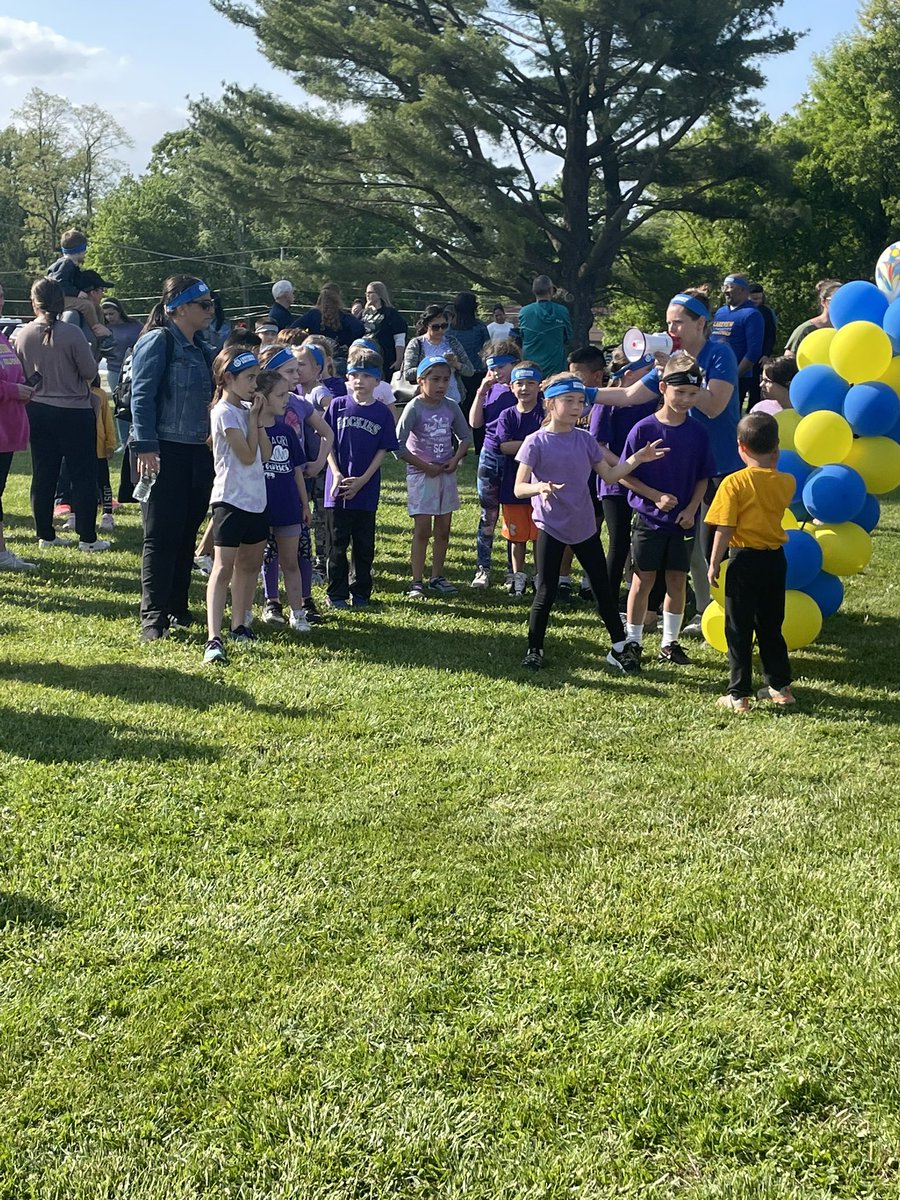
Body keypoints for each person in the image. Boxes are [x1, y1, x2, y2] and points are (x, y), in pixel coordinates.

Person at [514, 373, 667, 672]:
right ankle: (535, 648)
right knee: (545, 591)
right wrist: (539, 487)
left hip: (583, 525)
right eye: (568, 401)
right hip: (550, 525)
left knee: (602, 590)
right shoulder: (536, 442)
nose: (576, 407)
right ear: (550, 403)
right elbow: (519, 488)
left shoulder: (584, 440)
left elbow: (610, 476)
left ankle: (619, 648)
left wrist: (637, 458)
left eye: (581, 401)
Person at [130, 275, 216, 640]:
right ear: (179, 307)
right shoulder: (158, 341)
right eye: (204, 305)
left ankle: (178, 608)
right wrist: (146, 446)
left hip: (199, 452)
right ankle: (153, 617)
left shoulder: (204, 348)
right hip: (163, 449)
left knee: (185, 533)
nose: (211, 310)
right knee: (161, 535)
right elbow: (141, 396)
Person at [620, 354, 717, 671]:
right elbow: (623, 473)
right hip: (648, 521)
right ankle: (633, 641)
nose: (686, 400)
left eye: (693, 394)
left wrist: (691, 509)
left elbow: (703, 477)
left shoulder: (699, 432)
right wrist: (655, 496)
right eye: (680, 393)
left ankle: (669, 643)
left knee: (678, 580)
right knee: (642, 580)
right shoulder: (643, 429)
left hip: (683, 523)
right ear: (663, 388)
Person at [706, 412, 796, 712]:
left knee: (738, 627)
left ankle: (738, 694)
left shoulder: (733, 483)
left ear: (740, 446)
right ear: (777, 448)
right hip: (774, 561)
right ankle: (780, 687)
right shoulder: (787, 481)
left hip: (744, 561)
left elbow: (725, 527)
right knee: (771, 625)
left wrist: (714, 561)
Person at [13, 278, 110, 553]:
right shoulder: (71, 333)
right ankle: (87, 538)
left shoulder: (24, 334)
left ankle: (45, 533)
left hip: (39, 410)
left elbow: (22, 372)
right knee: (82, 474)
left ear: (34, 302)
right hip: (74, 410)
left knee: (43, 473)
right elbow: (89, 372)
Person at [203, 348, 271, 663]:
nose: (254, 384)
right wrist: (254, 419)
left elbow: (266, 455)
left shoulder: (248, 410)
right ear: (228, 378)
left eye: (256, 377)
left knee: (249, 566)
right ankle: (213, 636)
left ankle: (239, 624)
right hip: (230, 498)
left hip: (256, 498)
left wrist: (256, 420)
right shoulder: (224, 412)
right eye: (248, 378)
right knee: (223, 568)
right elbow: (246, 456)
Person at [324, 349, 399, 609]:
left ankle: (361, 592)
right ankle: (336, 593)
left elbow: (384, 449)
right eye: (354, 374)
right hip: (337, 487)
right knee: (337, 543)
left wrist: (363, 480)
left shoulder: (382, 413)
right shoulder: (337, 405)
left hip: (365, 489)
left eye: (366, 375)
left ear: (377, 381)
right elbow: (328, 441)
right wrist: (335, 473)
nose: (359, 380)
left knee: (364, 544)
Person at [396, 356, 472, 599]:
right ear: (421, 380)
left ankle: (437, 576)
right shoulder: (414, 407)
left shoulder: (450, 406)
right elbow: (398, 446)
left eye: (446, 380)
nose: (441, 385)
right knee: (422, 529)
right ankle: (416, 580)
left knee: (444, 528)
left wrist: (456, 458)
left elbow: (466, 437)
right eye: (435, 379)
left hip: (445, 475)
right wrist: (423, 465)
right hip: (421, 476)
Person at [589, 347, 658, 603]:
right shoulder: (607, 401)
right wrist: (626, 467)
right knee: (618, 544)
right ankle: (606, 598)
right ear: (629, 374)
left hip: (648, 481)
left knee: (647, 542)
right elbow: (597, 445)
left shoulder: (652, 400)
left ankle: (648, 596)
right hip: (616, 482)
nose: (653, 375)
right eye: (647, 370)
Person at [257, 369, 311, 634]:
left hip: (288, 506)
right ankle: (265, 605)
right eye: (280, 395)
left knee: (290, 561)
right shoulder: (250, 429)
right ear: (262, 398)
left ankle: (298, 613)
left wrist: (304, 503)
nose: (286, 400)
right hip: (258, 507)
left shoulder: (287, 431)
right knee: (263, 559)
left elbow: (297, 471)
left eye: (287, 394)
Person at [468, 340, 520, 586]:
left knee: (513, 514)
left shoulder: (524, 389)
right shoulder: (490, 389)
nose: (497, 373)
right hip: (490, 455)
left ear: (515, 364)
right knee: (487, 514)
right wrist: (480, 393)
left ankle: (514, 570)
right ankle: (483, 567)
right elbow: (475, 423)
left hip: (516, 458)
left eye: (501, 367)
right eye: (492, 368)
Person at [496, 362, 544, 595]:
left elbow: (551, 440)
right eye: (519, 383)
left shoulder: (546, 414)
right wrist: (536, 443)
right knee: (516, 536)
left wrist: (523, 444)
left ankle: (540, 576)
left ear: (539, 385)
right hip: (512, 486)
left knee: (539, 533)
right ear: (511, 387)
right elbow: (504, 446)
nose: (525, 388)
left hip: (540, 486)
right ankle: (518, 576)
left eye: (530, 383)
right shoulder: (507, 415)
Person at [0, 282, 35, 570]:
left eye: (1, 296)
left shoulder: (3, 337)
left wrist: (24, 386)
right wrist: (12, 390)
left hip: (8, 429)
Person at [45, 229, 111, 347]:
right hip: (58, 299)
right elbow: (59, 284)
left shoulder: (66, 264)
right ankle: (99, 334)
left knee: (97, 308)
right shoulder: (66, 264)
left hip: (62, 298)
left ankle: (102, 328)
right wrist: (77, 293)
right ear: (80, 250)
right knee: (87, 305)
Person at [711, 274, 764, 409]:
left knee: (728, 416)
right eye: (725, 287)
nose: (726, 291)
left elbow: (753, 352)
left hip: (737, 379)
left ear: (744, 291)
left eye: (731, 287)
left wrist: (733, 376)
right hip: (713, 374)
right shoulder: (720, 312)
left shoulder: (752, 314)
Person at [402, 305, 474, 404]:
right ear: (427, 325)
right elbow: (408, 374)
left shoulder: (452, 342)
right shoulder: (416, 343)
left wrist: (456, 364)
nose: (440, 330)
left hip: (454, 400)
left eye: (444, 326)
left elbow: (470, 371)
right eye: (436, 327)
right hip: (426, 402)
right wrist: (432, 364)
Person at [292, 283, 365, 373]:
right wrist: (347, 342)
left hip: (314, 356)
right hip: (338, 357)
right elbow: (360, 329)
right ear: (338, 297)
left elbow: (294, 328)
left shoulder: (313, 315)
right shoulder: (344, 316)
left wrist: (307, 339)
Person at [516, 275, 572, 377]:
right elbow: (568, 338)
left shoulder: (524, 312)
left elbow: (520, 337)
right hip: (556, 369)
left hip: (530, 369)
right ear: (551, 291)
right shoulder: (562, 311)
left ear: (534, 291)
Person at [450, 291, 491, 411]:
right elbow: (488, 351)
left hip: (457, 374)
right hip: (478, 373)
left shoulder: (448, 330)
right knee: (479, 411)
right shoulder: (480, 327)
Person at [784, 279, 842, 356]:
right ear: (823, 302)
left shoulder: (849, 328)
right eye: (835, 300)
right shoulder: (806, 330)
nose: (841, 304)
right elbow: (787, 360)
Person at [362, 281, 407, 376]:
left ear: (379, 294)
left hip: (385, 359)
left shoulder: (391, 314)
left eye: (370, 293)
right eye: (366, 293)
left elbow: (399, 338)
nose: (367, 295)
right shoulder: (364, 313)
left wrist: (399, 360)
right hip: (364, 357)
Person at [100, 297, 142, 398]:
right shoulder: (104, 329)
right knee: (119, 401)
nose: (109, 317)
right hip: (114, 370)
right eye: (105, 314)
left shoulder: (135, 325)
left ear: (119, 311)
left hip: (134, 369)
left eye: (111, 313)